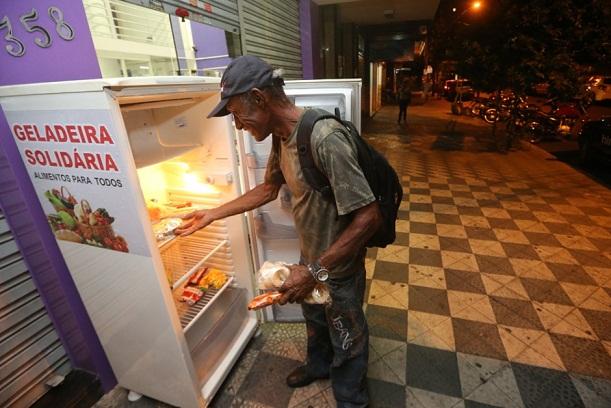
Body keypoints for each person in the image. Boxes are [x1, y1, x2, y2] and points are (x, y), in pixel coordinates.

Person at [175, 55, 381, 408]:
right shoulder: (282, 136)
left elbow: (369, 217)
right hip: (311, 257)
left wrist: (315, 271)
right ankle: (318, 366)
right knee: (314, 316)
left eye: (237, 113)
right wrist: (213, 213)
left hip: (338, 265)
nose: (237, 125)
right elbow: (269, 188)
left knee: (346, 333)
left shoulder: (325, 138)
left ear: (259, 97)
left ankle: (351, 399)